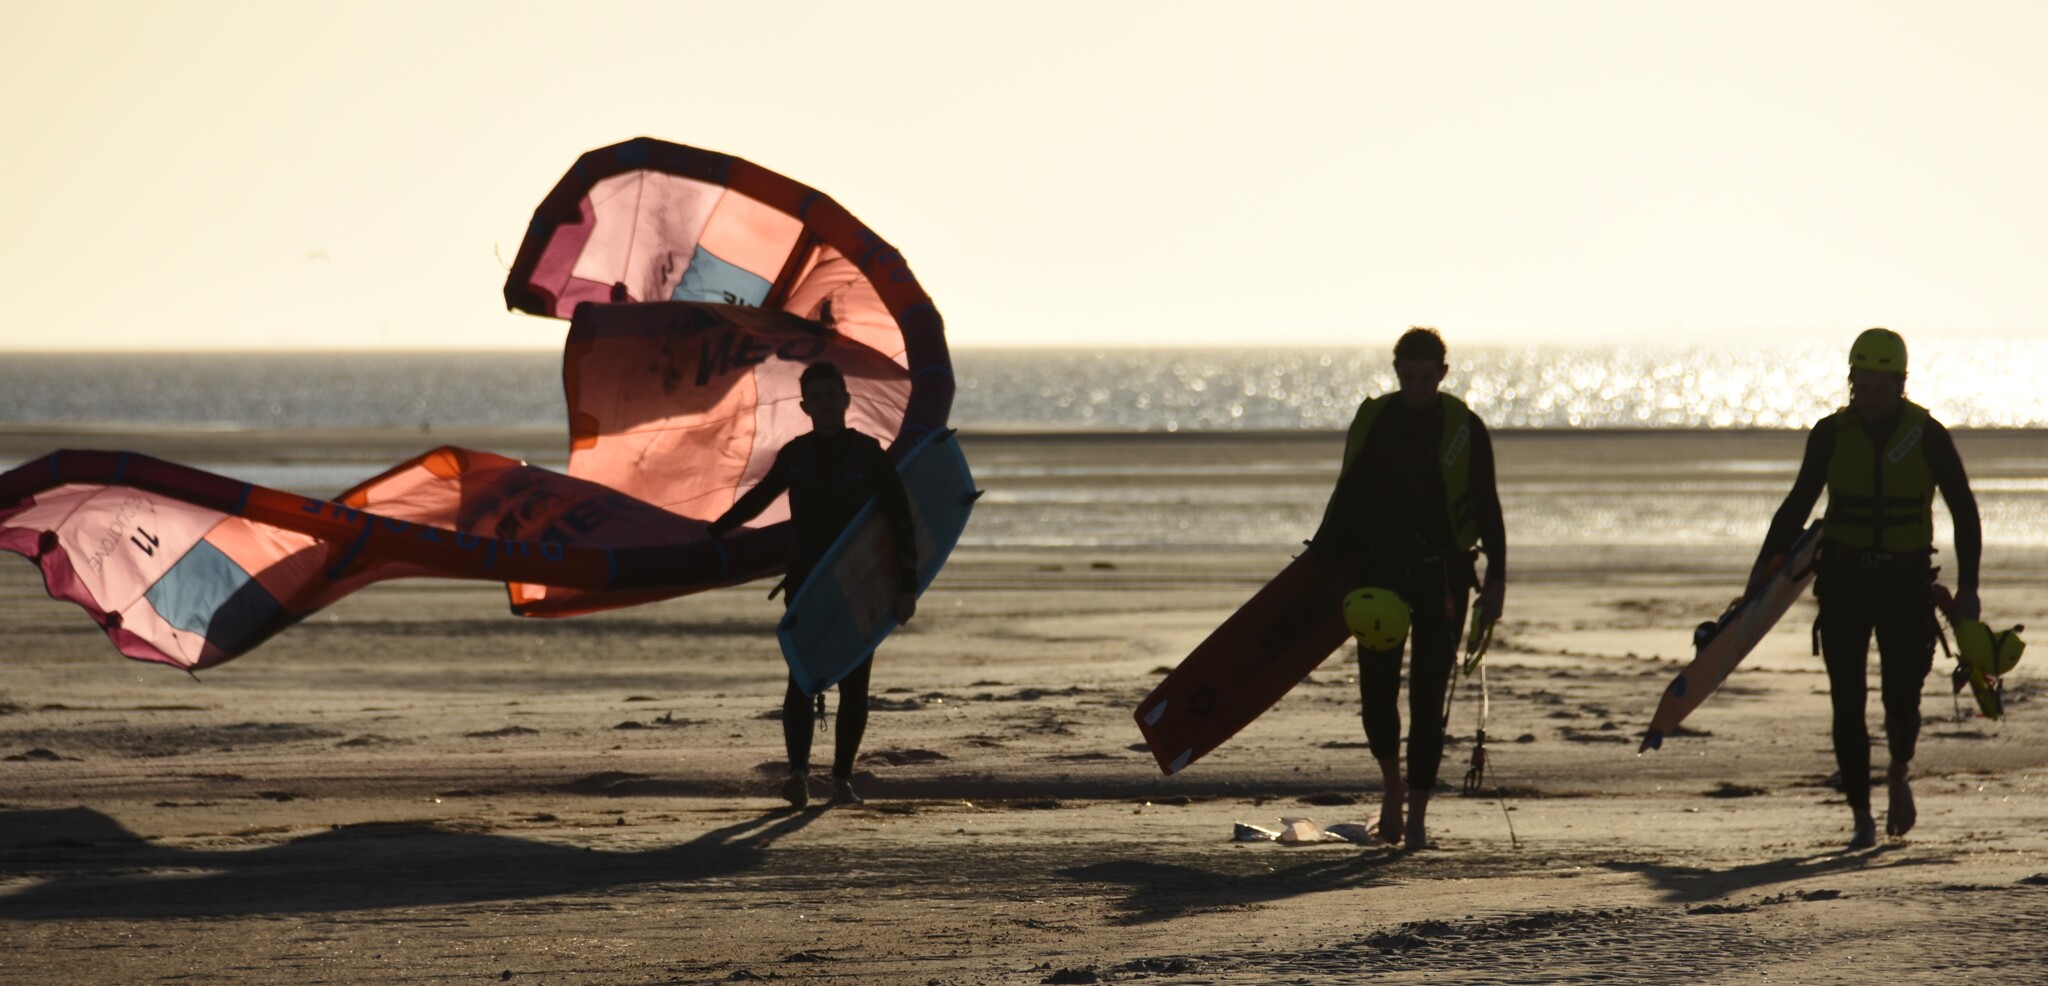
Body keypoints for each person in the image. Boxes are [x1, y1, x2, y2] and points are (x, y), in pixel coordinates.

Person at [1750, 328, 1980, 848]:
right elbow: (1797, 504)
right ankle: (1861, 817)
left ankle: (1899, 770)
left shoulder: (1927, 435)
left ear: (1901, 384)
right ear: (1851, 382)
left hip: (1905, 584)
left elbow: (1964, 511)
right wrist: (1760, 574)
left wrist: (1969, 589)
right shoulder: (1831, 434)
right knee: (1847, 701)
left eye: (1881, 389)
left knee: (1901, 701)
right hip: (1844, 582)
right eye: (1862, 388)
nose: (1870, 399)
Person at [1311, 327, 1507, 849]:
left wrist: (1497, 580)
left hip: (1443, 577)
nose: (1417, 387)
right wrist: (1319, 563)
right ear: (1396, 371)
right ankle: (1391, 789)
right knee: (1376, 697)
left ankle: (1416, 818)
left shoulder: (1464, 427)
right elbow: (1346, 496)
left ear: (1443, 373)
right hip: (1380, 577)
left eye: (1426, 378)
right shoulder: (1376, 420)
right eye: (1408, 377)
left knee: (1427, 698)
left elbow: (1487, 505)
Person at [706, 361, 919, 809]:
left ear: (846, 400)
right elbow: (759, 498)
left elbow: (902, 519)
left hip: (860, 586)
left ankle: (841, 780)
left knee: (854, 684)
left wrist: (907, 587)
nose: (825, 404)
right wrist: (713, 533)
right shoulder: (796, 455)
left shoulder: (869, 454)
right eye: (816, 398)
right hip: (806, 583)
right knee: (801, 680)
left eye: (831, 396)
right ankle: (799, 775)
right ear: (805, 406)